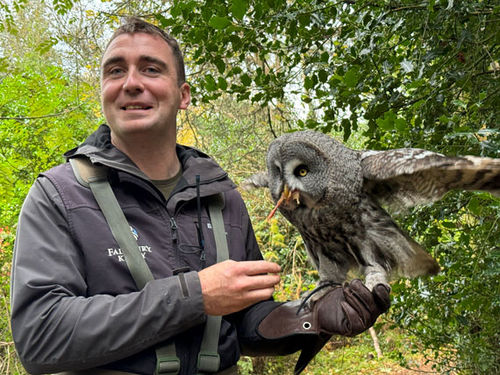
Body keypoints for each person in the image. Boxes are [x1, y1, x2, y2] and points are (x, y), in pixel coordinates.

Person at [10, 17, 390, 375]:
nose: (130, 82)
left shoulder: (222, 197)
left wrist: (312, 316)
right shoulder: (59, 195)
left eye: (150, 68)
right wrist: (195, 295)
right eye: (115, 70)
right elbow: (41, 336)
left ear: (183, 95)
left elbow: (245, 322)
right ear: (103, 93)